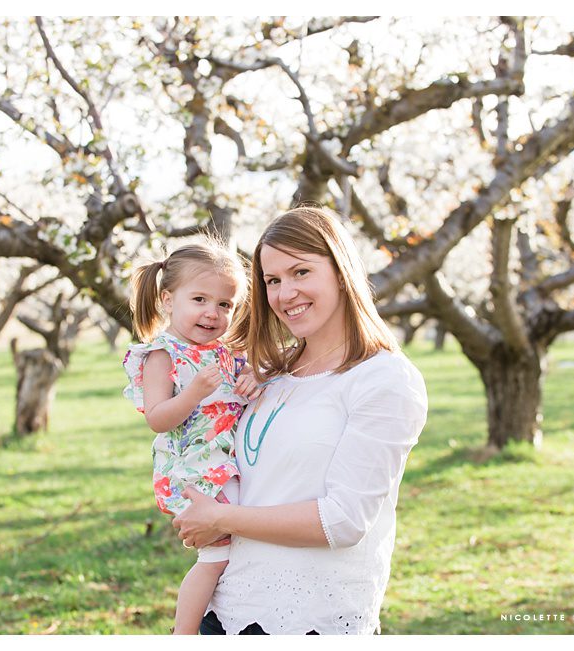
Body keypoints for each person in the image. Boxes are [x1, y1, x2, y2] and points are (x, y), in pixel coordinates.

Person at [171, 206, 429, 635]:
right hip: (225, 611)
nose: (285, 293)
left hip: (310, 622)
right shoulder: (268, 375)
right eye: (272, 280)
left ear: (341, 270)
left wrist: (219, 518)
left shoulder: (384, 379)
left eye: (301, 272)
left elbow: (343, 520)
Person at [122, 238, 260, 635]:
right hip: (194, 469)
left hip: (224, 462)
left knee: (238, 549)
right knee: (216, 556)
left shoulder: (224, 351)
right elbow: (158, 418)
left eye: (224, 304)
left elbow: (254, 372)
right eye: (199, 299)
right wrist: (194, 393)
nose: (212, 313)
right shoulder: (162, 355)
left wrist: (251, 376)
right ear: (168, 300)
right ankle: (185, 634)